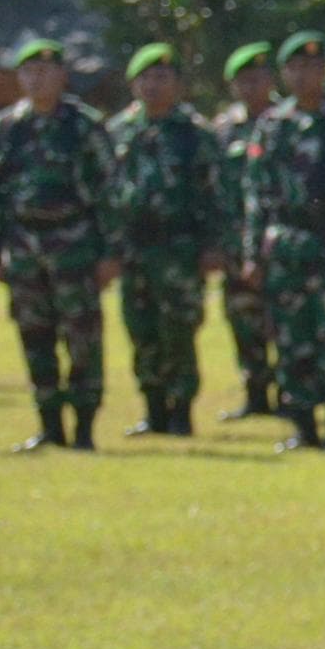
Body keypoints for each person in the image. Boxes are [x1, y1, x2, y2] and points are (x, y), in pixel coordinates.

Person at [0, 35, 120, 451]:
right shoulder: (6, 128)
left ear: (62, 76)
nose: (36, 79)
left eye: (45, 71)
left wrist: (110, 252)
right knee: (35, 337)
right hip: (25, 248)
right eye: (29, 72)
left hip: (75, 245)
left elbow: (110, 191)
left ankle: (85, 428)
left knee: (82, 340)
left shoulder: (84, 126)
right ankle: (50, 426)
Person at [239, 29, 325, 453]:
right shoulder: (272, 126)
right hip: (287, 247)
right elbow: (256, 195)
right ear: (284, 74)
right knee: (291, 339)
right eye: (295, 68)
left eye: (312, 67)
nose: (303, 75)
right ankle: (303, 427)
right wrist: (252, 254)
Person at [107, 42, 227, 438]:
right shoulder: (118, 131)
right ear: (132, 84)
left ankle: (181, 411)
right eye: (145, 78)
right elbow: (104, 191)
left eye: (162, 77)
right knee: (140, 329)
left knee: (179, 329)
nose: (153, 85)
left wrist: (213, 245)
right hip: (133, 249)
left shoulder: (195, 133)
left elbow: (215, 194)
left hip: (179, 248)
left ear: (178, 84)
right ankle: (153, 409)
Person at [211, 41, 279, 418]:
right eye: (244, 80)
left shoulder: (286, 121)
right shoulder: (222, 131)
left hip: (282, 241)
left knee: (284, 319)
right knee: (243, 319)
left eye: (258, 78)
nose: (252, 86)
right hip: (235, 243)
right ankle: (256, 395)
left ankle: (292, 393)